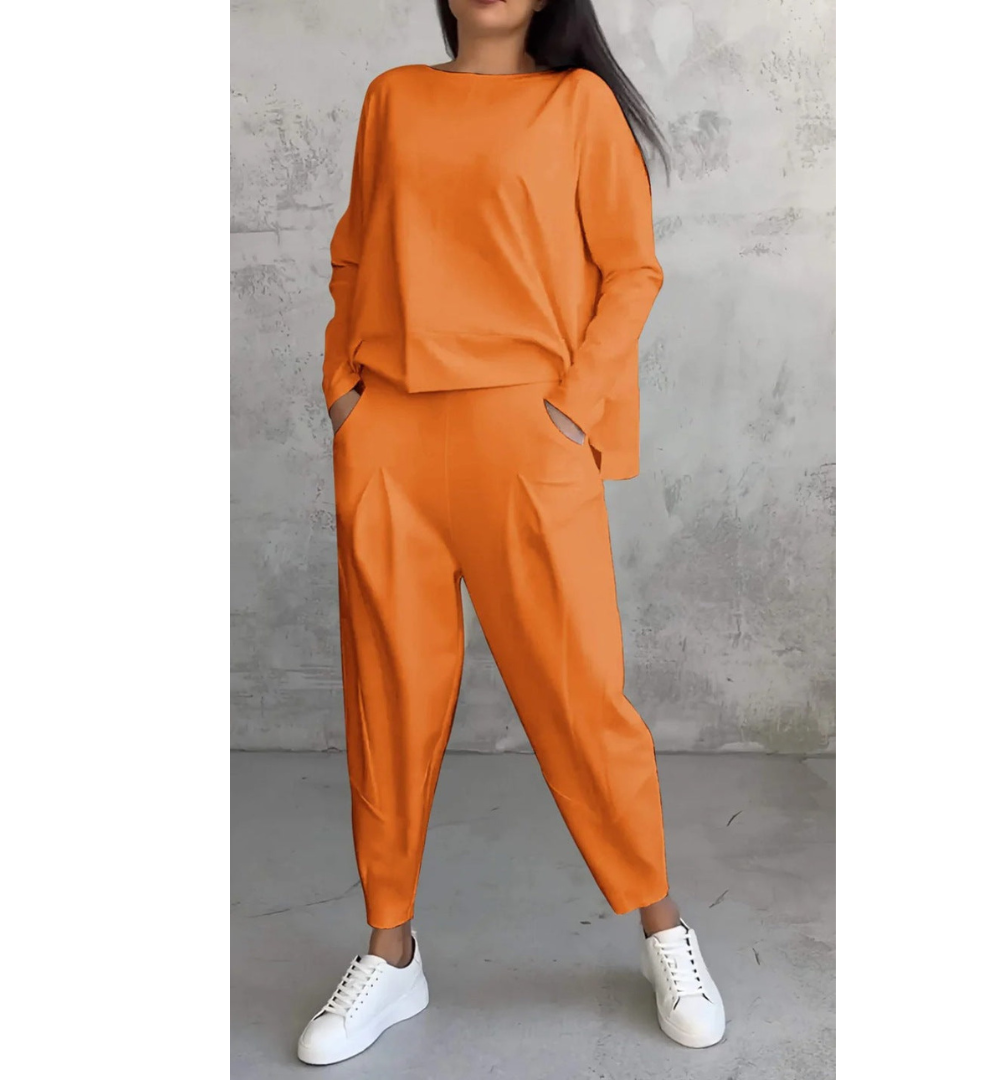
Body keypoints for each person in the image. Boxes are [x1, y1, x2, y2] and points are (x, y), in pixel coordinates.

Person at [297, 0, 725, 1065]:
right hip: (391, 433)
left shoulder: (578, 106)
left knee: (580, 692)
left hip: (525, 435)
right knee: (388, 694)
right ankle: (391, 951)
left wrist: (570, 411)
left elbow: (631, 270)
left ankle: (663, 928)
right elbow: (353, 256)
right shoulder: (394, 99)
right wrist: (344, 391)